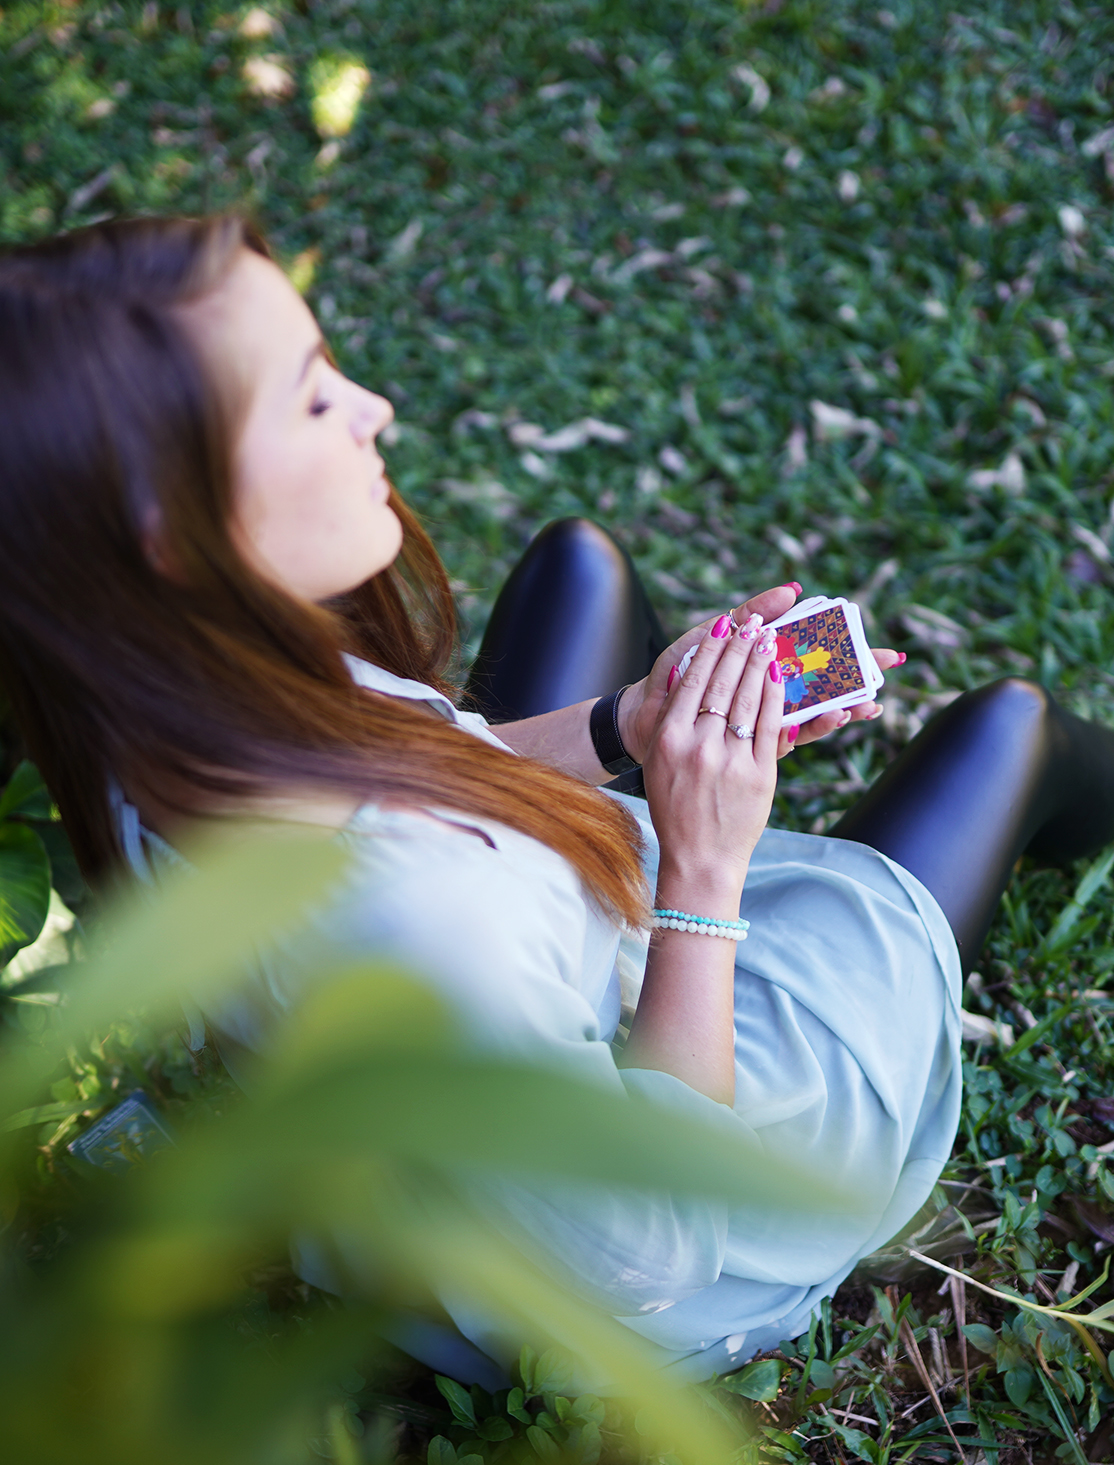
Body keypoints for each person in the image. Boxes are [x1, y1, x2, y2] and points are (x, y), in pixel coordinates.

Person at [2, 215, 1114, 1383]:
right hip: (672, 1184)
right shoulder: (429, 925)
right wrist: (700, 865)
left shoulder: (161, 717)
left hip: (491, 1069)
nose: (372, 405)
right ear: (167, 532)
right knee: (1011, 728)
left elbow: (431, 761)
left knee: (581, 563)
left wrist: (626, 725)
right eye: (310, 399)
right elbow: (654, 1239)